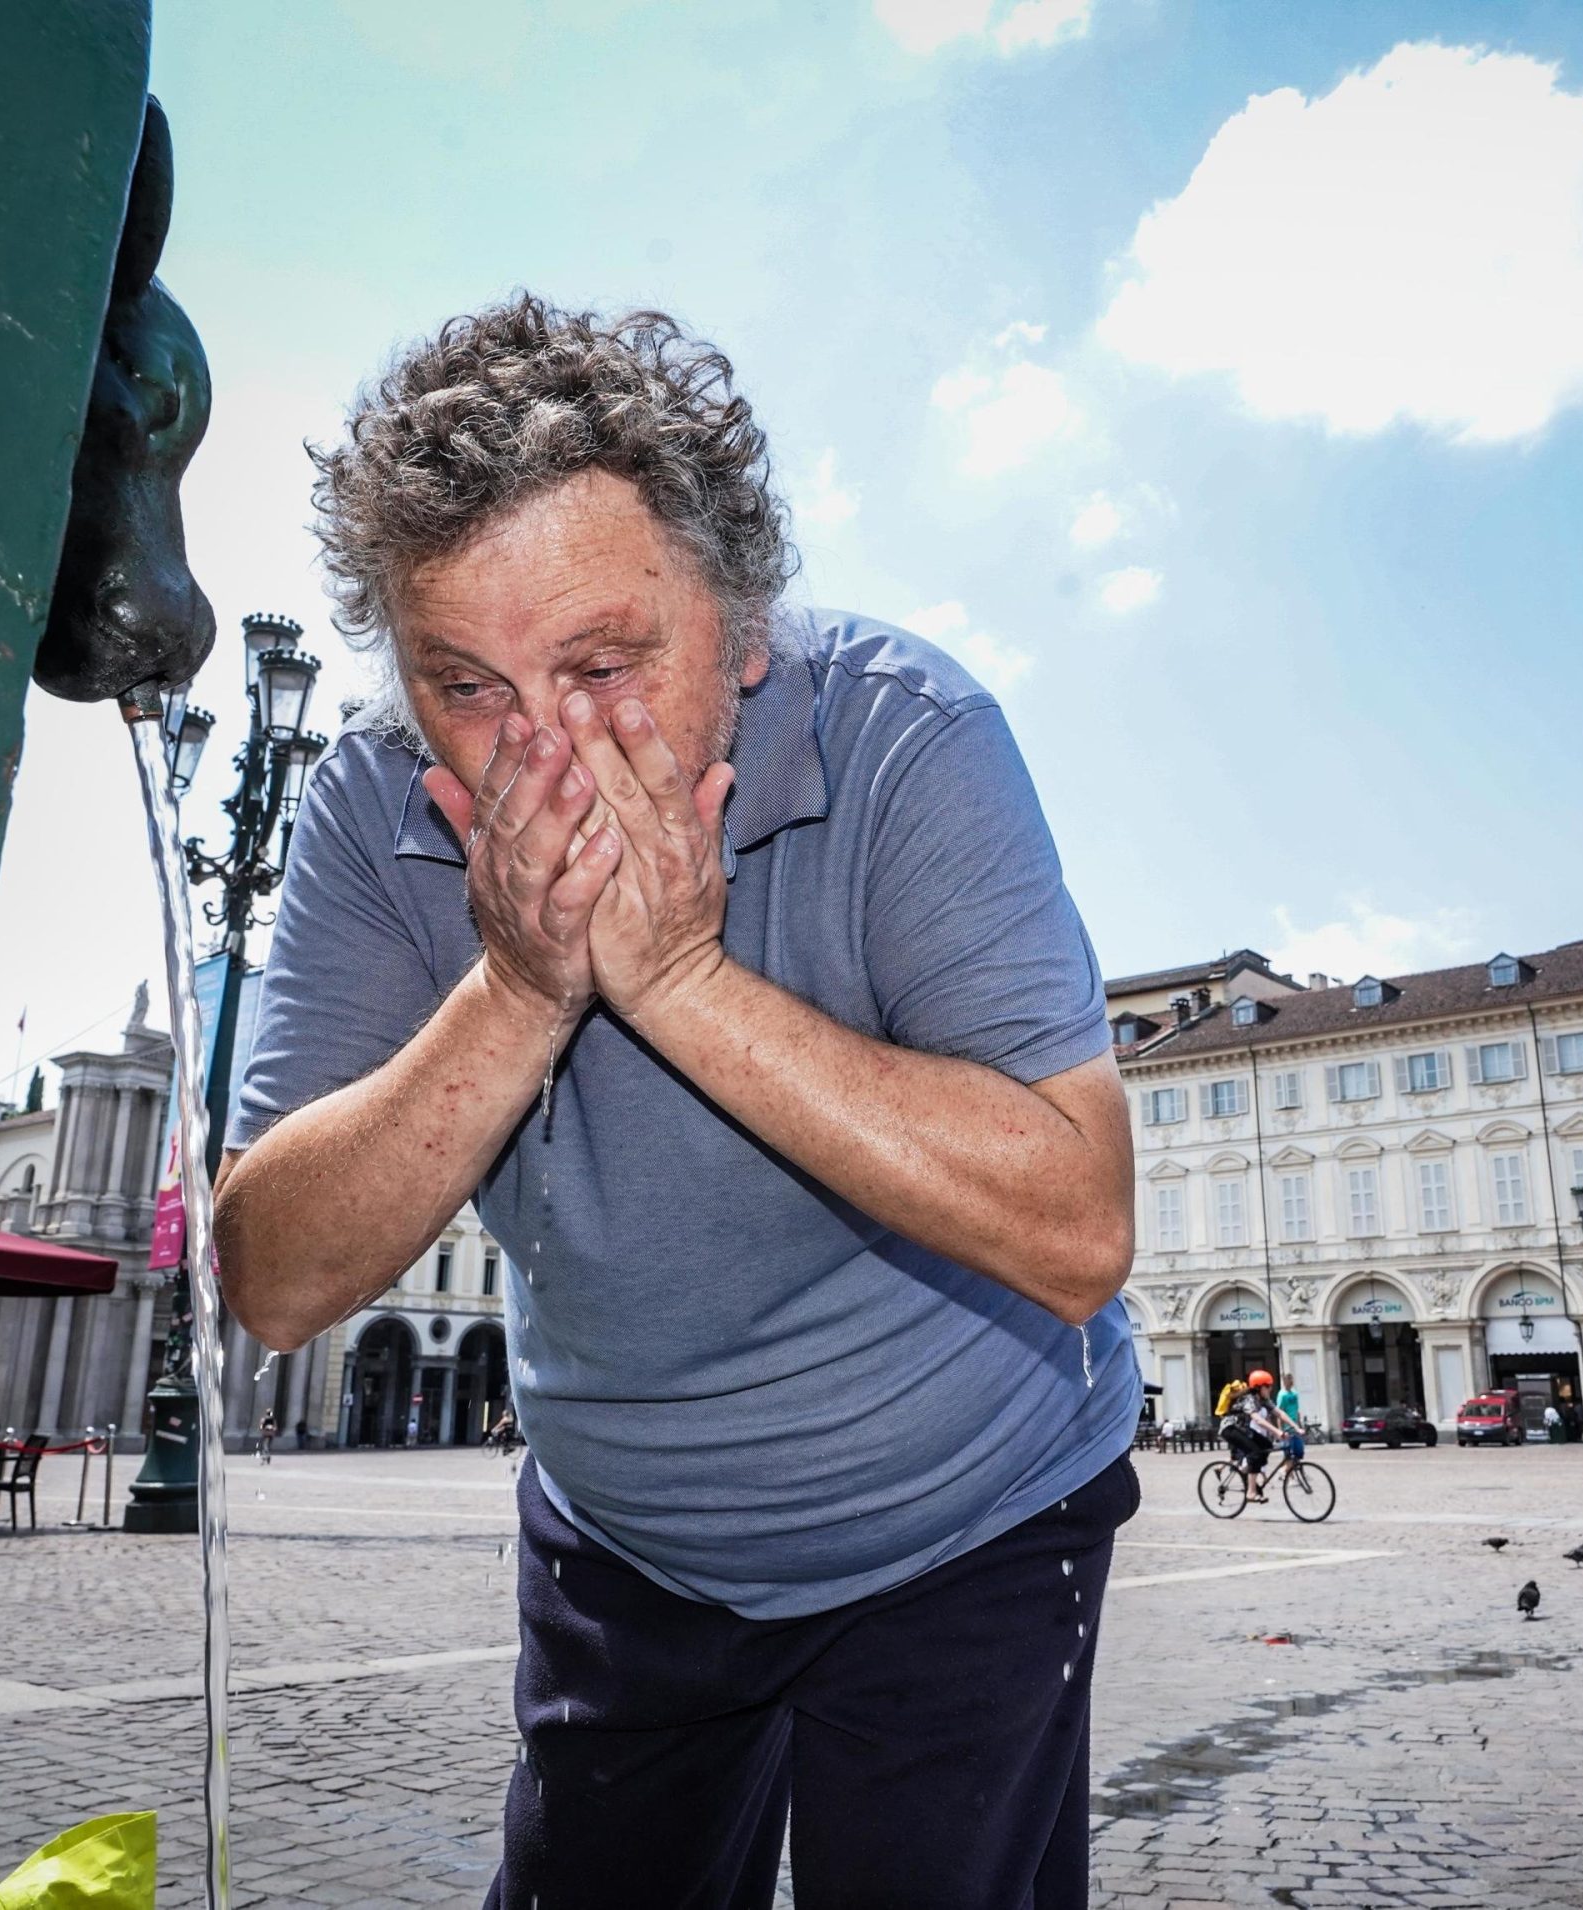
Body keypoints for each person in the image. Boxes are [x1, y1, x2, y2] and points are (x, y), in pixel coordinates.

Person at [211, 299, 1140, 1910]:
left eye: (601, 666)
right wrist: (521, 984)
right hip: (626, 1532)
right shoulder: (371, 805)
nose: (544, 751)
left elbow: (1075, 1224)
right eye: (466, 683)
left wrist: (682, 980)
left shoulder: (909, 736)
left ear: (744, 627)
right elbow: (274, 1279)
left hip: (972, 1509)